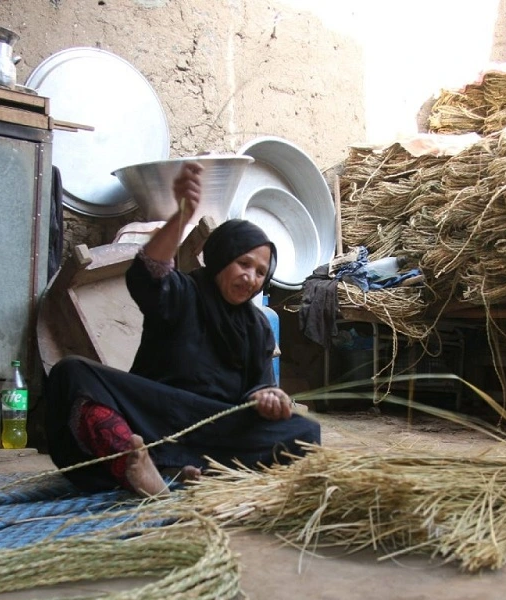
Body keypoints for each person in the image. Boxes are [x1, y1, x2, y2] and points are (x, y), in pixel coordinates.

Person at [44, 162, 321, 496]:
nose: (251, 278)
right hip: (153, 418)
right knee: (71, 373)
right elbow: (148, 272)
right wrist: (181, 216)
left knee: (303, 431)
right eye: (244, 264)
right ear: (221, 257)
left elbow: (258, 388)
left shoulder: (258, 326)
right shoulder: (183, 293)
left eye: (261, 272)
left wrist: (269, 397)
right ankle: (139, 464)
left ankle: (181, 470)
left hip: (214, 428)